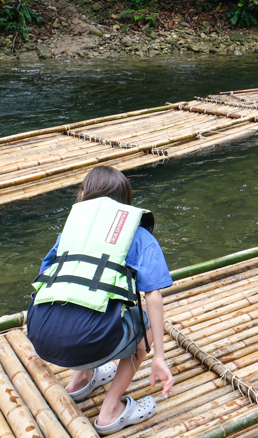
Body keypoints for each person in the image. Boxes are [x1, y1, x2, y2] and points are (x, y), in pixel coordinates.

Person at [26, 167, 174, 435]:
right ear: (125, 200)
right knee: (145, 322)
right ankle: (110, 411)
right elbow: (153, 295)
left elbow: (46, 279)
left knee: (87, 302)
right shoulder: (138, 235)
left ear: (85, 196)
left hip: (43, 339)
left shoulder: (70, 233)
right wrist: (159, 357)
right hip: (88, 343)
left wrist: (38, 339)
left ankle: (80, 381)